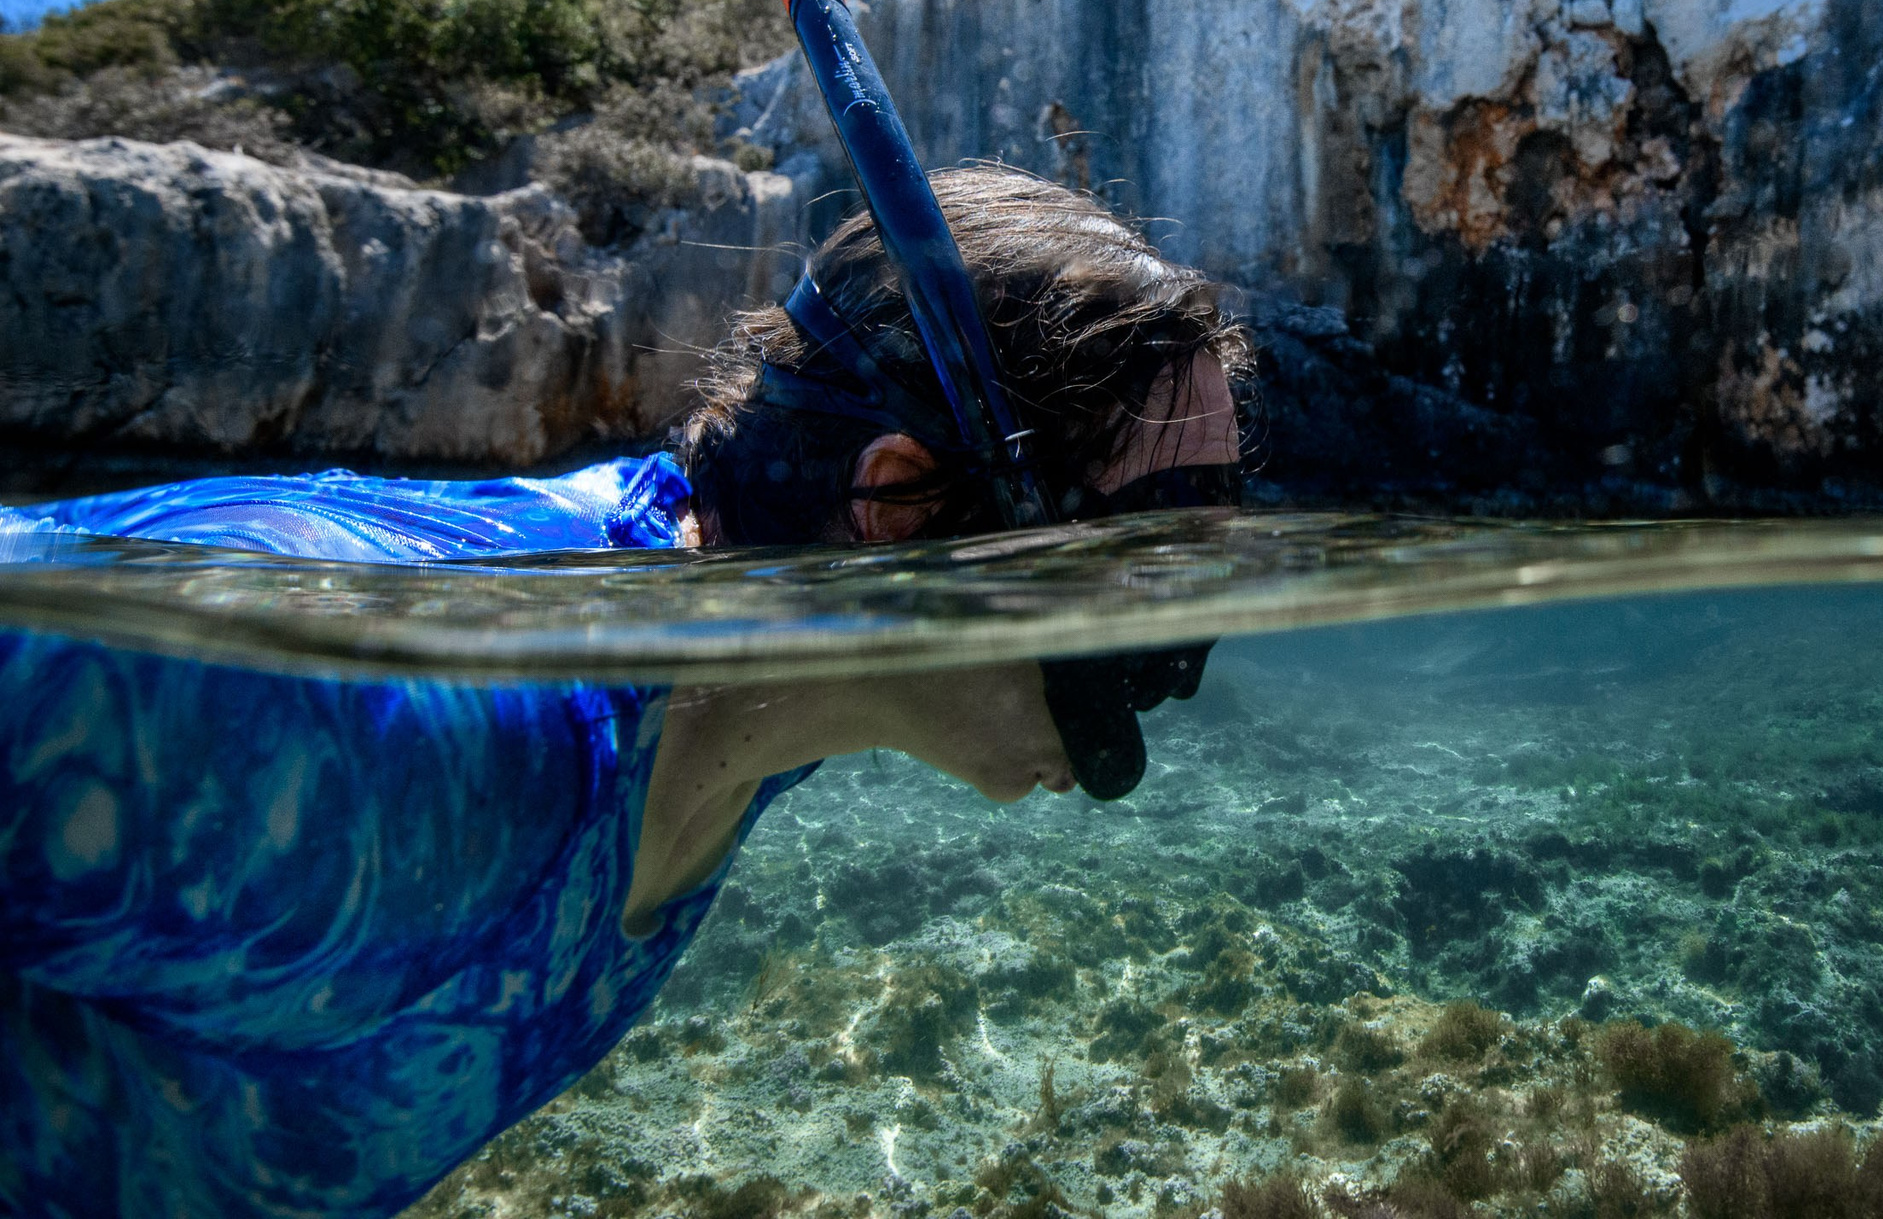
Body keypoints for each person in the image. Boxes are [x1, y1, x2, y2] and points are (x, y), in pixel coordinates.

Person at [0, 164, 1247, 1219]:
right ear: (896, 501)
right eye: (1143, 563)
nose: (1176, 664)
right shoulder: (376, 743)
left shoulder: (762, 693)